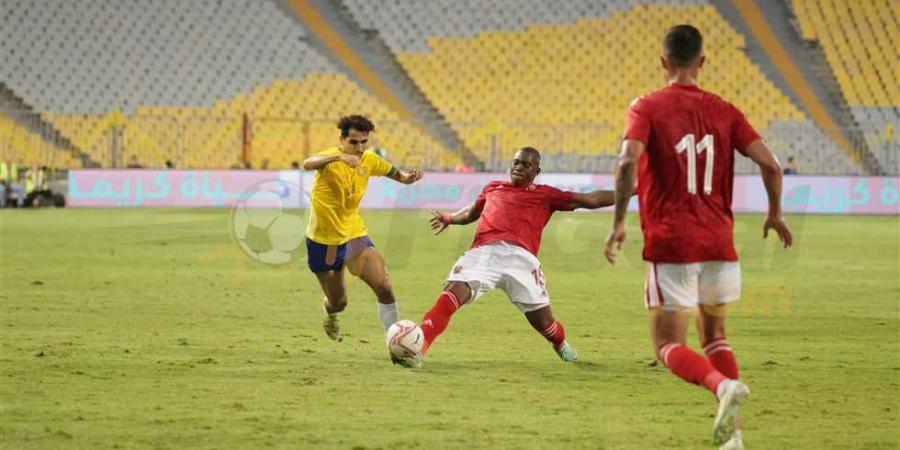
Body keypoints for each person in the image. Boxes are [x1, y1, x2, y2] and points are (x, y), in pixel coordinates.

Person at [603, 25, 793, 449]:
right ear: (702, 61)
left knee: (668, 345)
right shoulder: (725, 110)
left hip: (673, 243)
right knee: (716, 337)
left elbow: (625, 164)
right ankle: (734, 437)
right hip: (719, 243)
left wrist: (618, 222)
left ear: (662, 61)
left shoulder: (647, 107)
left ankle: (721, 387)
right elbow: (773, 165)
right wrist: (775, 213)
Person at [404, 147, 616, 368]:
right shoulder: (493, 188)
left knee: (546, 326)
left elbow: (591, 199)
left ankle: (560, 344)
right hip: (484, 253)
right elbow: (470, 213)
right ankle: (418, 349)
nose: (518, 167)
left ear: (536, 170)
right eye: (516, 162)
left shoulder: (546, 194)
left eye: (525, 164)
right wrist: (449, 218)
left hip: (522, 260)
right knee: (451, 292)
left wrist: (632, 189)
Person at [302, 115, 423, 343]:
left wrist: (408, 179)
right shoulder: (330, 158)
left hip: (353, 234)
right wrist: (339, 157)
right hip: (323, 240)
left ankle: (394, 341)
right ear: (342, 139)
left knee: (384, 286)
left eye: (363, 142)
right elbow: (308, 163)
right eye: (354, 142)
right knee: (339, 302)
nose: (359, 148)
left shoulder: (369, 159)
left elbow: (393, 172)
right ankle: (331, 312)